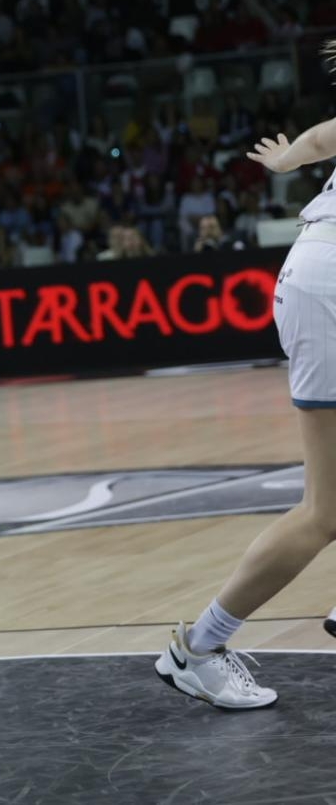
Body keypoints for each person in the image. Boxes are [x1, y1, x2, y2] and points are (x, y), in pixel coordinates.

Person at [156, 71, 336, 712]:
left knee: (328, 506)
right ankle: (199, 651)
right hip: (331, 280)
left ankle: (201, 647)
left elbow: (323, 135)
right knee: (325, 512)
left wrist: (290, 157)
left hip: (314, 268)